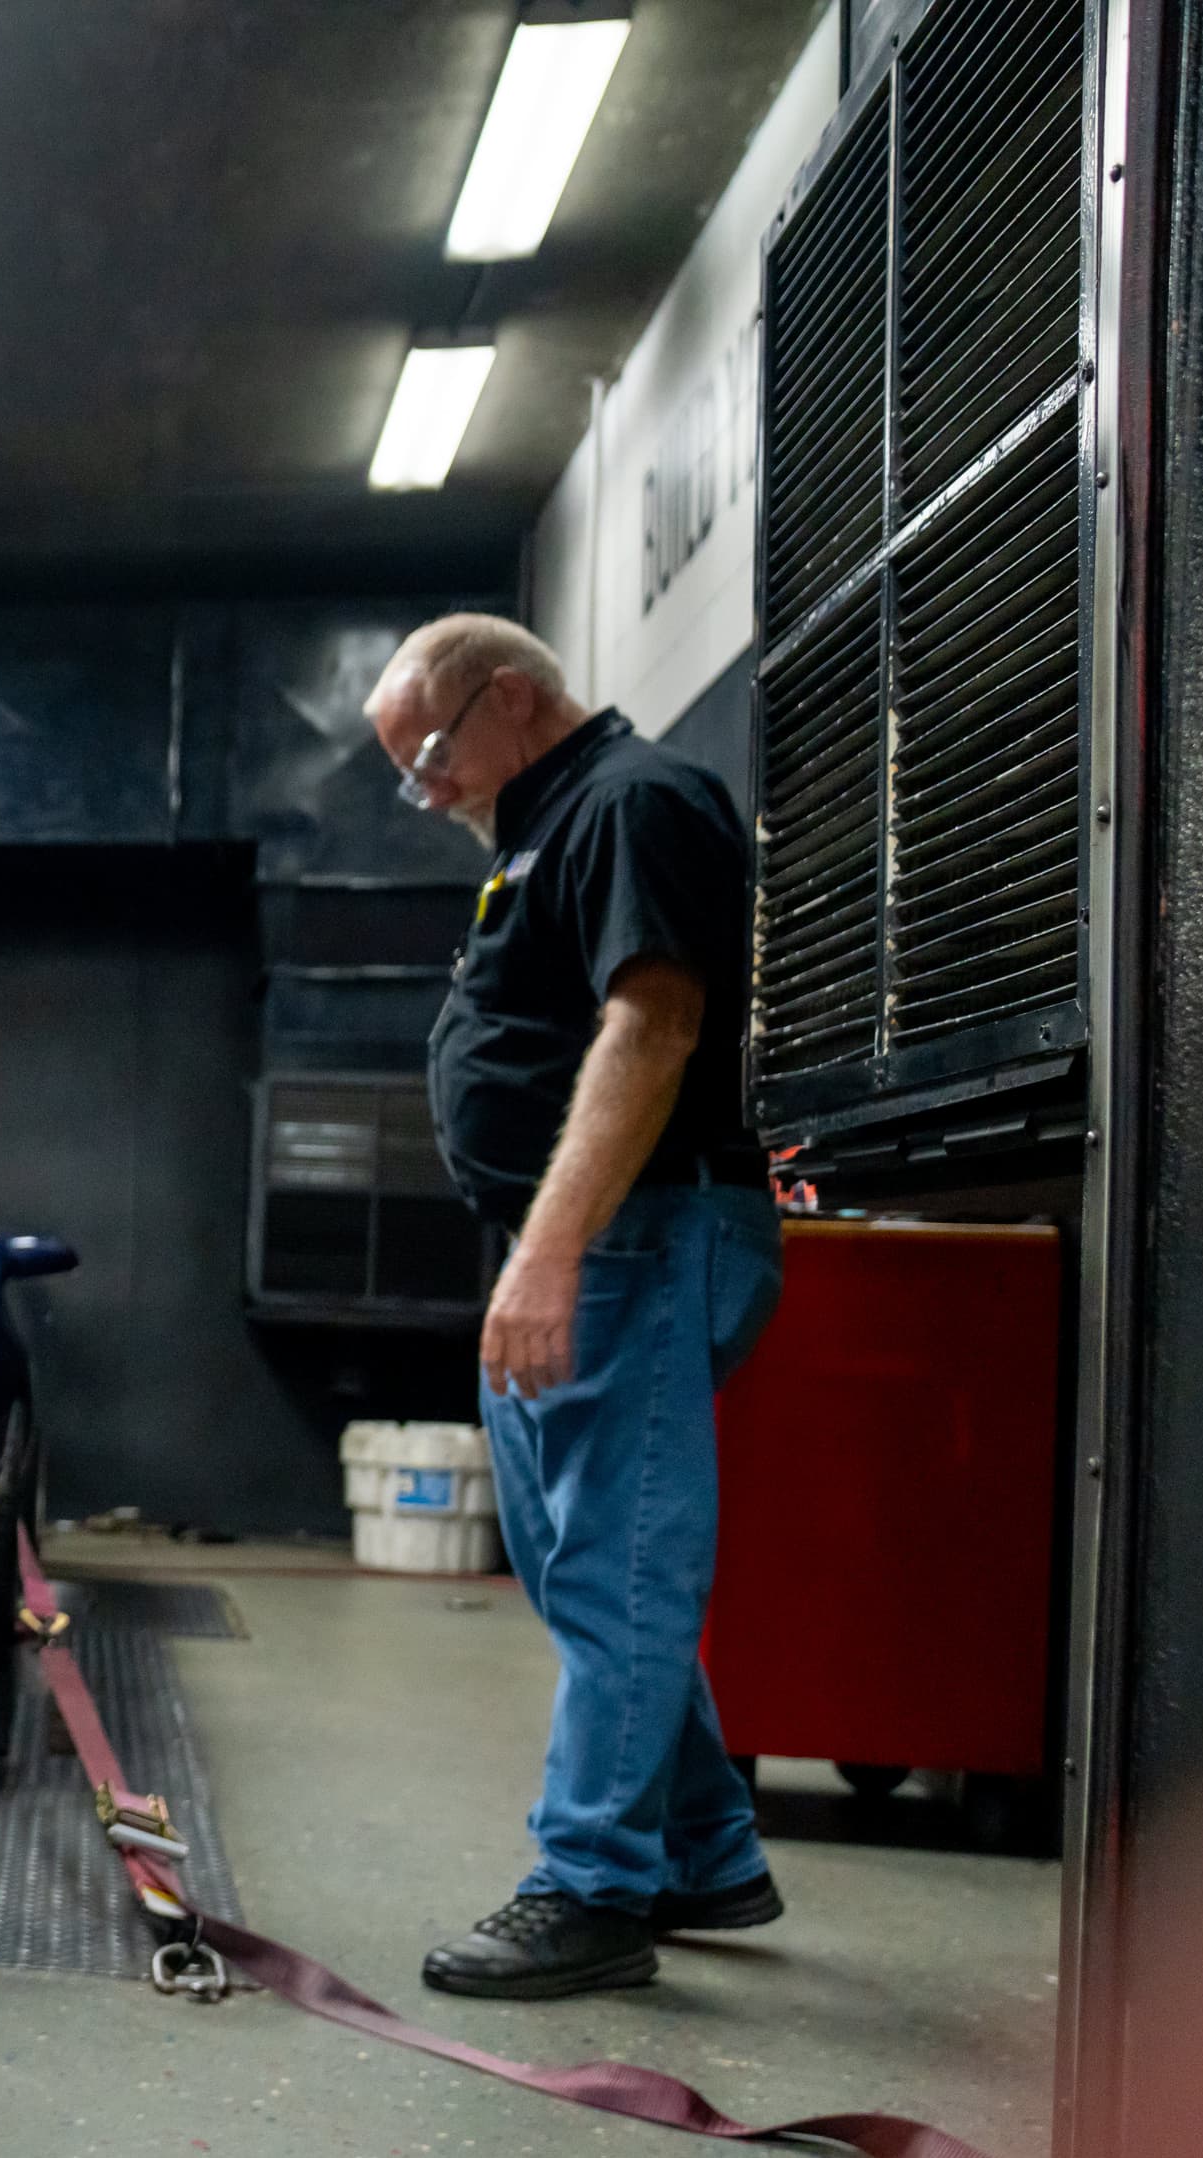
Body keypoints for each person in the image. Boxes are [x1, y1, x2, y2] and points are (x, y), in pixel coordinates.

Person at [366, 613, 784, 2000]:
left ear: (511, 695)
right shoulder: (547, 826)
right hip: (581, 1243)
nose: (427, 796)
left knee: (615, 1563)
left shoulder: (635, 801)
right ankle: (708, 1850)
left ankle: (594, 1886)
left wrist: (550, 1255)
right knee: (569, 1561)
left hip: (638, 1238)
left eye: (430, 757)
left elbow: (653, 1025)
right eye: (407, 780)